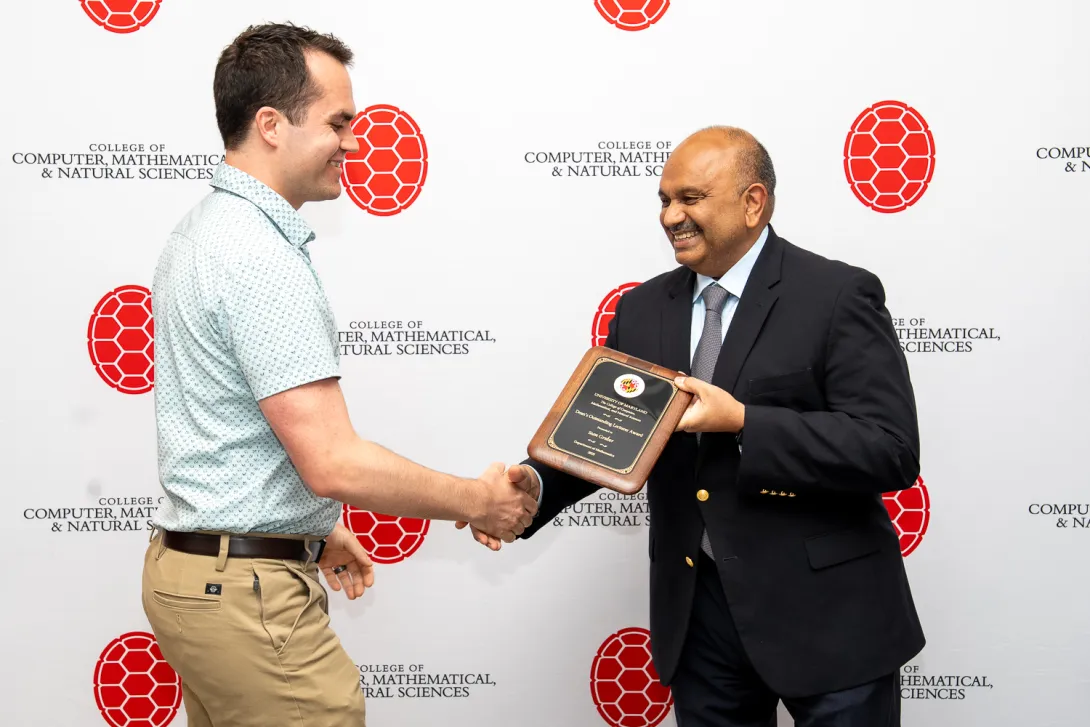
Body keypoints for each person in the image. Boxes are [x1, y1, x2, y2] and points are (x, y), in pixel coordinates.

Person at [460, 126, 924, 725]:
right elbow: (611, 437)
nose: (671, 216)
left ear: (754, 202)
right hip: (699, 622)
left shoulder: (837, 294)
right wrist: (533, 489)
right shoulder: (642, 308)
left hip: (831, 620)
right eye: (663, 200)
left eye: (691, 198)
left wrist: (745, 422)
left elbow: (888, 448)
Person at [142, 23, 536, 727]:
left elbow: (242, 430)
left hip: (201, 577)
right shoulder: (258, 256)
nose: (355, 143)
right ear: (271, 125)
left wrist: (313, 529)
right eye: (338, 123)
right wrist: (477, 500)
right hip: (243, 592)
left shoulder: (203, 231)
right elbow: (333, 460)